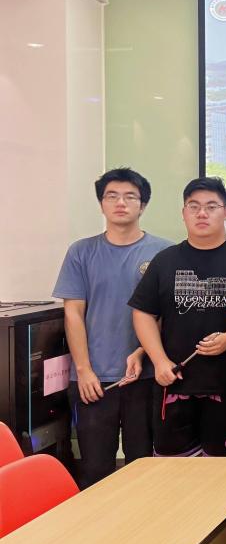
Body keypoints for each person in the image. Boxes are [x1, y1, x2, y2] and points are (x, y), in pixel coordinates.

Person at [52, 168, 172, 487]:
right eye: (112, 196)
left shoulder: (164, 253)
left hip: (146, 376)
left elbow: (167, 315)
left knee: (144, 466)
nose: (121, 203)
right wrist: (83, 369)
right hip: (94, 378)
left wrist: (144, 352)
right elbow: (73, 314)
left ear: (143, 205)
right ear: (101, 204)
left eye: (130, 196)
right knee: (95, 468)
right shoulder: (81, 251)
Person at [129, 177, 226, 457]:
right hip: (173, 384)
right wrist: (159, 361)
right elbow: (143, 313)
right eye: (194, 206)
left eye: (211, 206)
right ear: (183, 213)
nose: (202, 213)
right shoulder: (165, 260)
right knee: (173, 470)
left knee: (225, 471)